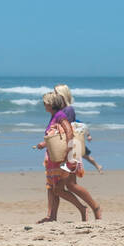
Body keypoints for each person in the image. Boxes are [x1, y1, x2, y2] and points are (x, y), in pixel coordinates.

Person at [34, 91, 102, 221]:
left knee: (60, 188)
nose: (44, 105)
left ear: (51, 104)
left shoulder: (60, 115)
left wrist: (68, 152)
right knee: (56, 188)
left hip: (65, 158)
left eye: (45, 103)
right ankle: (56, 215)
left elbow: (69, 132)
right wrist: (44, 144)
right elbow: (58, 135)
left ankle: (88, 208)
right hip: (58, 157)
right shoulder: (54, 115)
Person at [55, 83, 103, 172]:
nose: (53, 95)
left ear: (62, 95)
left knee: (86, 157)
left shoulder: (69, 111)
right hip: (68, 144)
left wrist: (88, 135)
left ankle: (98, 166)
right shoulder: (61, 111)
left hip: (71, 144)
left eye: (56, 93)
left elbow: (73, 128)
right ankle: (97, 166)